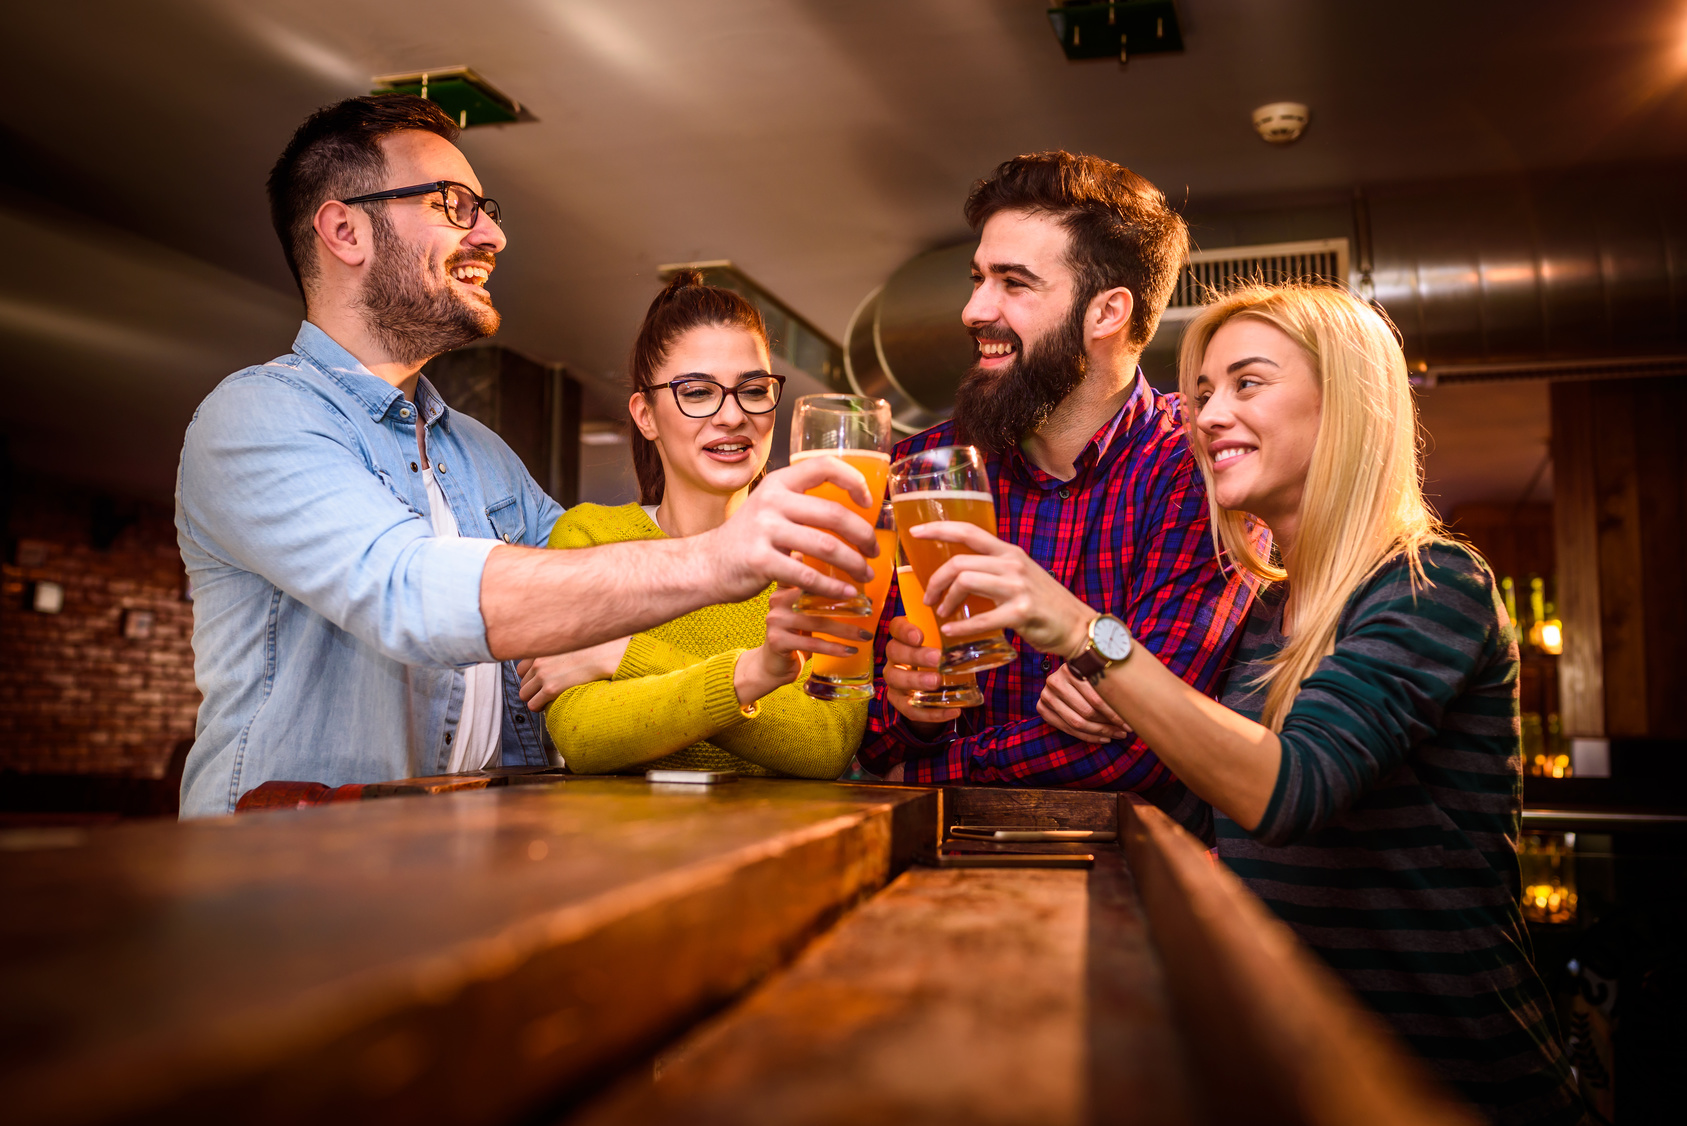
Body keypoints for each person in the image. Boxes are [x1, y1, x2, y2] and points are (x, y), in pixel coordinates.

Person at [910, 284, 1584, 1124]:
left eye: (1247, 383)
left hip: (1448, 1080)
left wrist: (1091, 637)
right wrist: (1110, 704)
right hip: (1301, 1067)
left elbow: (1289, 789)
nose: (1207, 416)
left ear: (1346, 404)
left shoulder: (1430, 582)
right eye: (1199, 395)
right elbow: (1205, 803)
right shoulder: (1267, 615)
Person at [174, 96, 876, 817]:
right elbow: (409, 595)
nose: (493, 234)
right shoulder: (256, 415)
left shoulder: (483, 457)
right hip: (293, 875)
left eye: (486, 208)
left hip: (465, 857)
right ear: (346, 230)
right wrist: (727, 558)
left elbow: (598, 587)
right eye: (454, 205)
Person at [859, 151, 1261, 788]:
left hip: (1123, 875)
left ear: (1107, 313)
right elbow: (858, 721)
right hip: (922, 864)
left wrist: (928, 770)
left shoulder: (1202, 469)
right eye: (978, 278)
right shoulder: (918, 470)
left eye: (1013, 283)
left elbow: (1153, 748)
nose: (973, 310)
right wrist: (915, 716)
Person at [514, 273, 867, 777]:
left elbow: (824, 742)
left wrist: (626, 654)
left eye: (753, 389)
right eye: (697, 392)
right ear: (646, 415)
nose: (731, 415)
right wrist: (752, 677)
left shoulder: (820, 549)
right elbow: (586, 735)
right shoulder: (588, 537)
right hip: (623, 851)